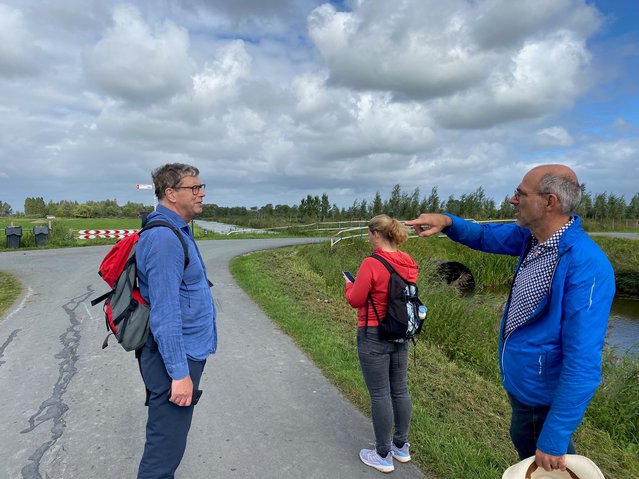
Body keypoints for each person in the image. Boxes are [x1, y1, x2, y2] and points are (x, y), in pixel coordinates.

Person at [405, 164, 615, 473]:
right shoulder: (531, 239)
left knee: (546, 467)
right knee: (528, 448)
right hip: (523, 387)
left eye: (520, 193)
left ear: (550, 202)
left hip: (541, 399)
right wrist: (447, 221)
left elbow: (583, 363)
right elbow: (486, 235)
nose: (511, 200)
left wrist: (555, 437)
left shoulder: (587, 266)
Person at [135, 163, 217, 478]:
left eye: (201, 186)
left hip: (187, 351)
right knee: (163, 456)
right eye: (194, 188)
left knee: (169, 448)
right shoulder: (165, 239)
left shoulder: (178, 229)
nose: (201, 192)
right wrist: (179, 374)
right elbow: (165, 313)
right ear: (171, 194)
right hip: (176, 358)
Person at [344, 214, 419, 473]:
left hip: (373, 333)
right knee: (400, 389)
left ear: (376, 233)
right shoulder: (409, 261)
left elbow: (356, 299)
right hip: (400, 333)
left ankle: (383, 454)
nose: (369, 238)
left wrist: (348, 286)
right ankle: (401, 446)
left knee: (379, 393)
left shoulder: (372, 263)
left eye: (369, 234)